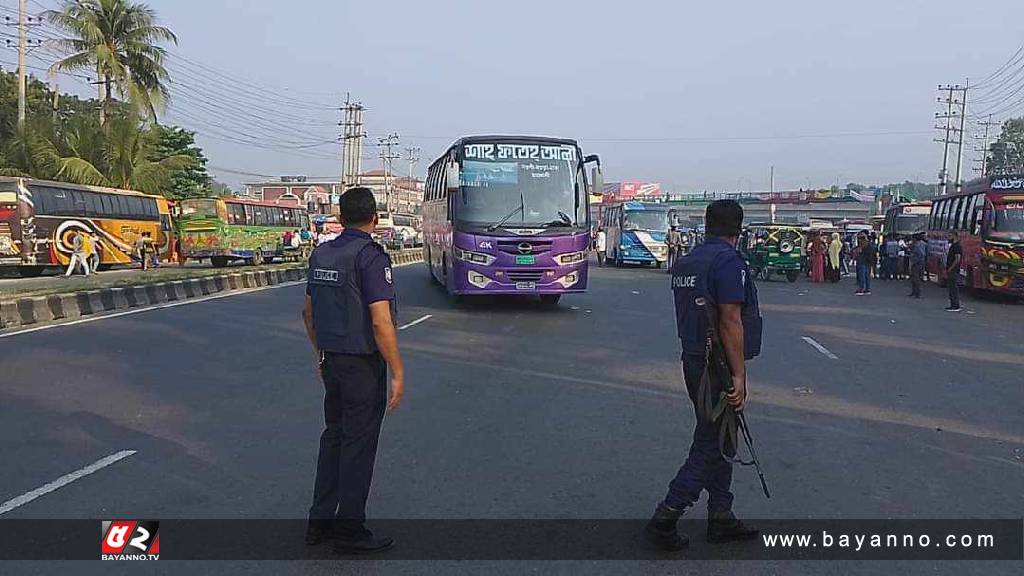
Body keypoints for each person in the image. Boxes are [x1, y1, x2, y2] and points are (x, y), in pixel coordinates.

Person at [646, 200, 761, 552]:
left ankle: (721, 514)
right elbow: (730, 319)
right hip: (718, 367)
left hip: (694, 358)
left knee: (724, 437)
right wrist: (739, 376)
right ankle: (667, 514)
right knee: (711, 442)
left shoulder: (687, 261)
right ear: (737, 230)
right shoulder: (727, 261)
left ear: (708, 226)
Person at [303, 187, 404, 554]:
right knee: (358, 446)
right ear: (374, 218)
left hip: (332, 360)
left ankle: (319, 523)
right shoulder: (371, 257)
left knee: (333, 438)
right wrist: (397, 371)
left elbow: (308, 313)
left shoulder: (322, 253)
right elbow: (381, 322)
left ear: (340, 217)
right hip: (362, 365)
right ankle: (349, 528)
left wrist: (321, 355)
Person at [945, 231, 962, 312]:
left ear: (954, 236)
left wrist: (951, 268)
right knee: (951, 288)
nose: (948, 237)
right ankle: (953, 304)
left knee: (953, 288)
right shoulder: (953, 245)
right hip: (951, 270)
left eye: (949, 235)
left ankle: (955, 305)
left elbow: (957, 258)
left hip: (953, 271)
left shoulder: (957, 246)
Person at [909, 233, 927, 298]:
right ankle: (914, 292)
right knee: (915, 278)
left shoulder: (917, 245)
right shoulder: (923, 244)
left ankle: (917, 293)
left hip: (916, 263)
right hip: (920, 263)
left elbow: (921, 254)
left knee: (916, 278)